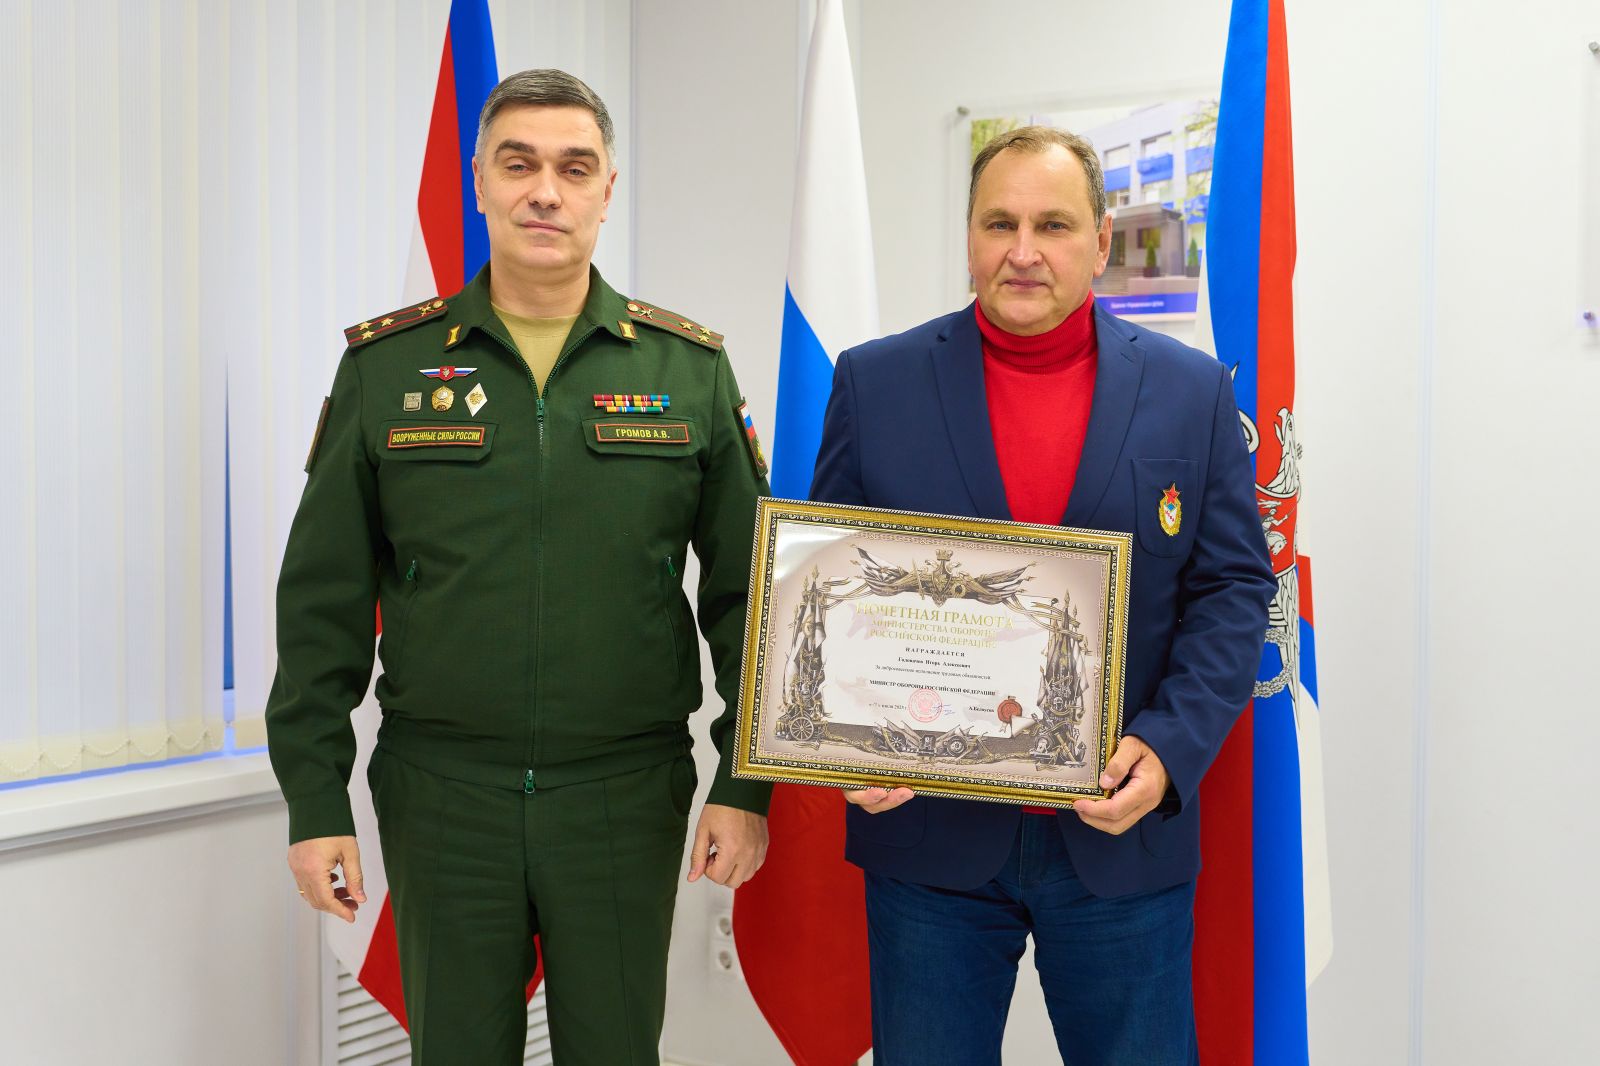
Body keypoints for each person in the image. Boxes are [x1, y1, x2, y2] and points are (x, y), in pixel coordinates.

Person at [266, 69, 772, 1066]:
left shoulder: (687, 369)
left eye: (574, 168)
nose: (546, 191)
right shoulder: (387, 369)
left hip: (624, 793)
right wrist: (315, 800)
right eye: (519, 164)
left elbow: (748, 603)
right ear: (481, 182)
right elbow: (322, 605)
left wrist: (743, 784)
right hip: (443, 794)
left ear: (607, 189)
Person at [809, 126, 1276, 1065]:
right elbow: (827, 582)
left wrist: (1169, 747)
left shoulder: (1192, 392)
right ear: (969, 236)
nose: (1023, 251)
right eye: (1000, 223)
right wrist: (837, 737)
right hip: (929, 835)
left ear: (1101, 243)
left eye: (1053, 225)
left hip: (1118, 835)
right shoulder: (875, 381)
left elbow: (1232, 589)